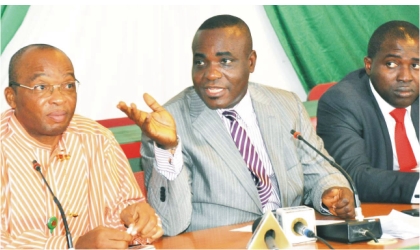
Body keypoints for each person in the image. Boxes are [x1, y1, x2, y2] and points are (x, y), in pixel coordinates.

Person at [118, 14, 355, 236]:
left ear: (250, 62)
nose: (210, 74)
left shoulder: (286, 104)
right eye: (200, 62)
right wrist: (168, 148)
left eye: (225, 61)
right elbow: (169, 223)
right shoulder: (166, 124)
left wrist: (331, 193)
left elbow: (323, 172)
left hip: (292, 239)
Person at [0, 44, 163, 249]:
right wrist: (72, 245)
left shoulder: (96, 138)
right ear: (11, 97)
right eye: (41, 87)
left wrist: (135, 220)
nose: (59, 98)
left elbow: (123, 211)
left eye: (68, 85)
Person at [317, 20, 419, 203]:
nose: (405, 77)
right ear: (369, 65)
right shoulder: (342, 101)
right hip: (379, 214)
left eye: (416, 65)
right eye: (391, 64)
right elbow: (352, 176)